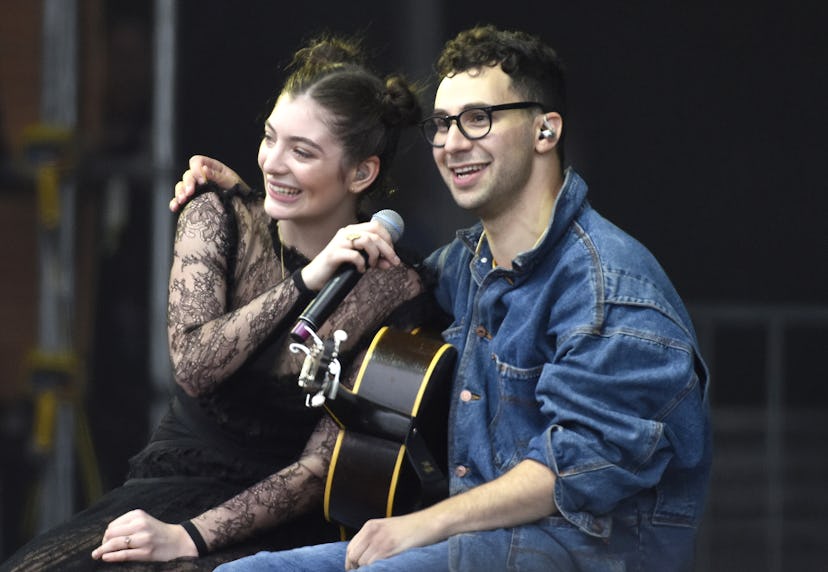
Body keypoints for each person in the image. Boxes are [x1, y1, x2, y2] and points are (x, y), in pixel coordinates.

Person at [180, 24, 713, 572]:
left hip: (580, 552)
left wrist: (420, 525)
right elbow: (358, 279)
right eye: (441, 124)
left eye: (478, 118)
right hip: (470, 543)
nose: (453, 142)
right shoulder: (462, 267)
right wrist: (252, 202)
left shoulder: (609, 287)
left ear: (545, 131)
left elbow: (572, 469)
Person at [1, 34, 432, 571]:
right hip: (175, 482)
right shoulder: (216, 215)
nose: (273, 162)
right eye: (270, 138)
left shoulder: (393, 288)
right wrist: (307, 281)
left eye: (302, 152)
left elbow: (322, 466)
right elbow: (194, 366)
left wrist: (192, 538)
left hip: (283, 515)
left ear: (361, 173)